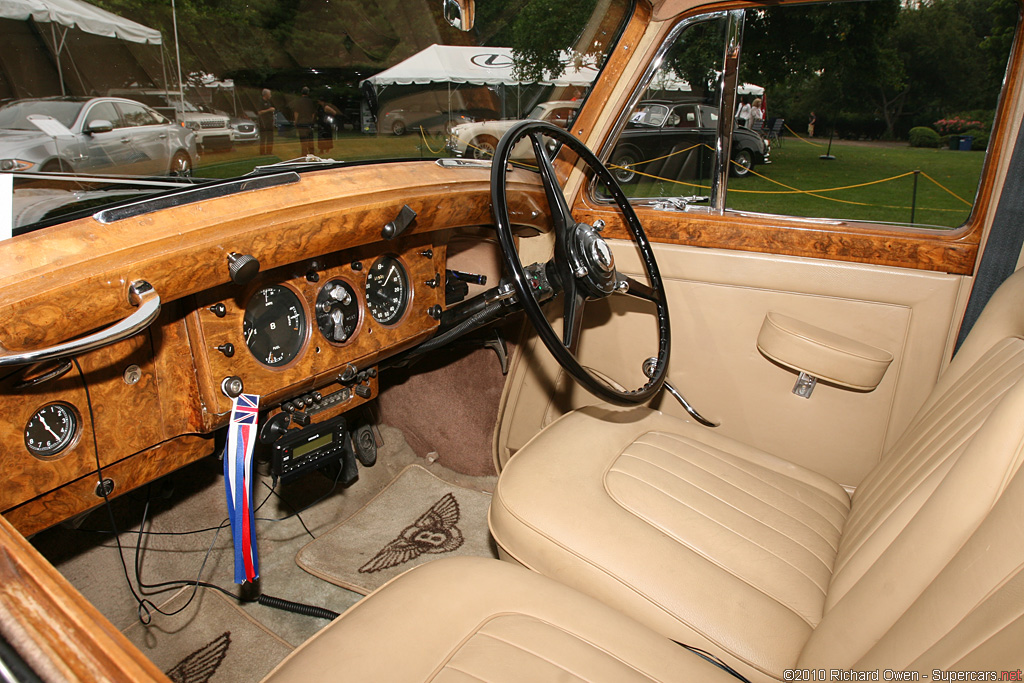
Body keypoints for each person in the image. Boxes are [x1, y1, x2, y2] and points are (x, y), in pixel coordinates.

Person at [294, 86, 317, 156]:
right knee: (310, 138)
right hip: (309, 122)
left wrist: (296, 121)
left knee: (303, 138)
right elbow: (313, 113)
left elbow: (296, 112)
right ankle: (311, 152)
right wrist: (311, 120)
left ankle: (304, 152)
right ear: (308, 93)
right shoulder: (311, 101)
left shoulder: (298, 101)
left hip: (301, 122)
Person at [257, 88, 276, 155]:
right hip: (263, 122)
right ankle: (262, 152)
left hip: (269, 122)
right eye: (269, 94)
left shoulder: (269, 102)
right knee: (263, 138)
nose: (270, 95)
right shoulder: (261, 102)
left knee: (270, 137)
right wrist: (269, 110)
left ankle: (269, 151)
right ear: (266, 95)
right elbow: (259, 112)